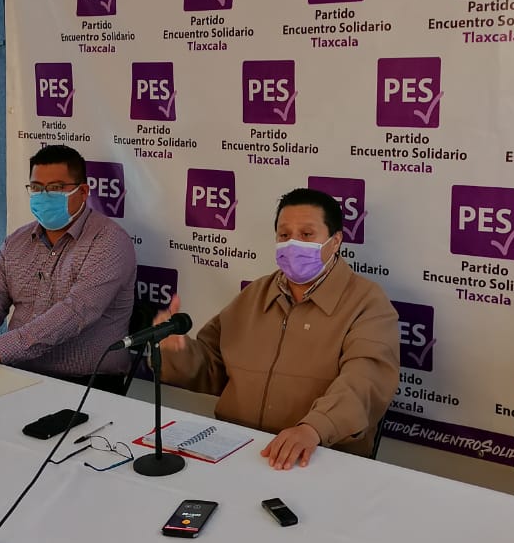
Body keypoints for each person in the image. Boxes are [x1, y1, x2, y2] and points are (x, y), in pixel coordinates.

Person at [155, 188, 399, 470]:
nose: (293, 244)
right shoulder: (255, 295)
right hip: (237, 450)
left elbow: (365, 382)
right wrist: (177, 350)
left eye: (306, 234)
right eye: (284, 235)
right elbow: (212, 367)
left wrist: (314, 428)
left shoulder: (367, 303)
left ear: (335, 242)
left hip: (316, 458)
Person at [0, 145, 137, 391]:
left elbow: (75, 313)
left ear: (83, 192)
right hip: (16, 372)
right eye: (37, 188)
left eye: (56, 188)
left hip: (86, 384)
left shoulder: (109, 241)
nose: (44, 196)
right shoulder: (17, 241)